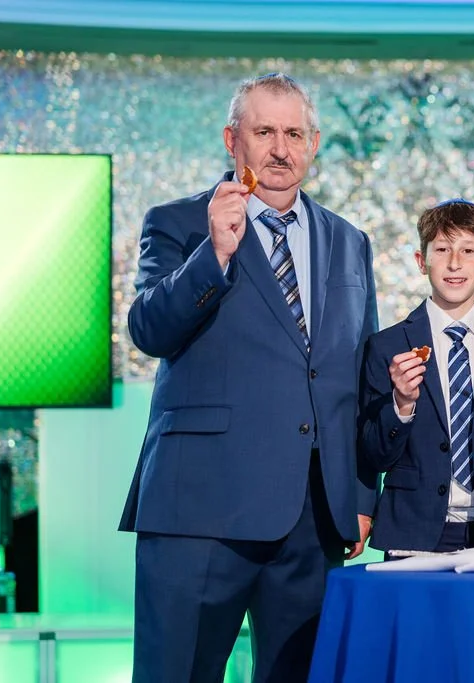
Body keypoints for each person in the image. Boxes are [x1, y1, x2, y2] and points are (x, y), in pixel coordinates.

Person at [119, 73, 379, 682]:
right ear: (232, 140)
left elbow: (357, 376)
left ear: (313, 144)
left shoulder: (350, 242)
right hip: (199, 514)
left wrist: (362, 496)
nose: (281, 149)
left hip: (314, 521)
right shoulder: (178, 223)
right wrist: (214, 254)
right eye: (264, 132)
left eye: (294, 133)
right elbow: (148, 330)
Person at [359, 199, 474, 553]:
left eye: (468, 250)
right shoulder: (387, 346)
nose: (455, 263)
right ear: (420, 261)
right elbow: (374, 455)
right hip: (411, 533)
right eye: (442, 249)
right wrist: (400, 406)